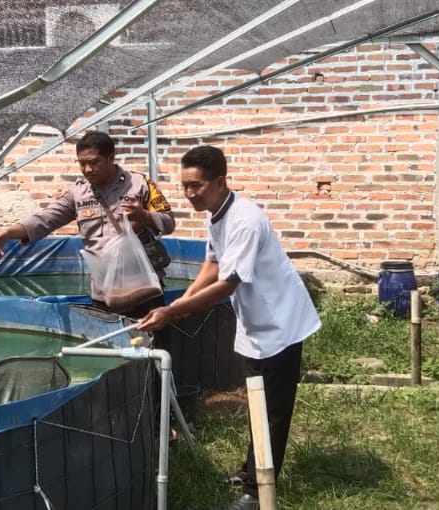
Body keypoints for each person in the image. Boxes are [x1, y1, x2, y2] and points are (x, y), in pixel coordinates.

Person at [137, 145, 320, 510]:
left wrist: (171, 312)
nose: (189, 194)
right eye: (185, 186)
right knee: (257, 401)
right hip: (257, 321)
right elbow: (212, 264)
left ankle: (257, 490)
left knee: (273, 409)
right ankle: (251, 470)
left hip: (282, 321)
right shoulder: (216, 213)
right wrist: (182, 300)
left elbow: (227, 284)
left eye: (196, 186)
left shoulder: (246, 220)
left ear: (220, 182)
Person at [0, 131, 176, 317]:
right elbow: (45, 219)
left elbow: (168, 223)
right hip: (104, 293)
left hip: (144, 288)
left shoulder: (140, 184)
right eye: (82, 164)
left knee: (152, 337)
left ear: (110, 158)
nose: (87, 170)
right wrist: (8, 233)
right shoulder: (78, 193)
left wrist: (144, 216)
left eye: (94, 162)